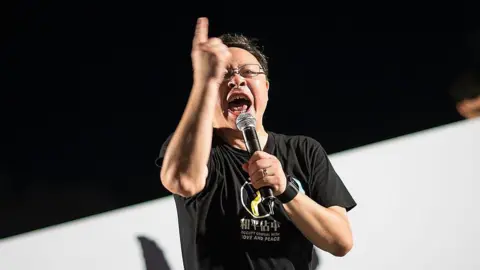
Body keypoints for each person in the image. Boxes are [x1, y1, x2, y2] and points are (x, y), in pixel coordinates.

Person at [156, 17, 357, 270]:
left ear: (266, 88)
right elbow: (183, 181)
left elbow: (341, 242)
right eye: (223, 74)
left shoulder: (303, 151)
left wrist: (286, 190)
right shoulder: (197, 148)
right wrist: (204, 81)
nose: (236, 80)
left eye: (249, 72)